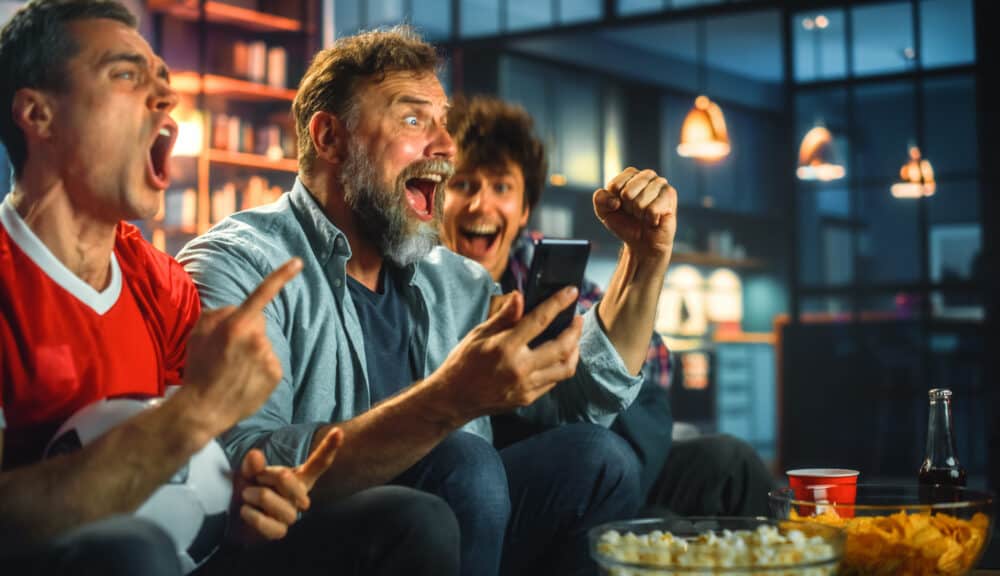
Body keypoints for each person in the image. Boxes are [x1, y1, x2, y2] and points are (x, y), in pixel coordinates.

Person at [177, 25, 679, 576]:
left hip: (455, 528)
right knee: (464, 460)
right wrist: (449, 400)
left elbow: (585, 400)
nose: (445, 147)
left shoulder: (455, 280)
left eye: (443, 123)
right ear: (329, 138)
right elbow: (236, 465)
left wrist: (645, 258)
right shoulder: (240, 262)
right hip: (300, 547)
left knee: (599, 460)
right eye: (414, 120)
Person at [0, 2, 457, 575]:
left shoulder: (163, 285)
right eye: (124, 75)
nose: (165, 99)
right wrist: (196, 413)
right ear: (37, 114)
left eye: (163, 83)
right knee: (128, 553)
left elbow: (199, 478)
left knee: (412, 519)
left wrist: (248, 504)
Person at [443, 95, 775, 518]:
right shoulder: (426, 282)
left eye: (501, 186)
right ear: (436, 198)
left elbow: (653, 361)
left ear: (525, 208)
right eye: (463, 184)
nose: (480, 204)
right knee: (599, 456)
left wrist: (642, 262)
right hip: (524, 471)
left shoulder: (550, 274)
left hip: (615, 450)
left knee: (731, 463)